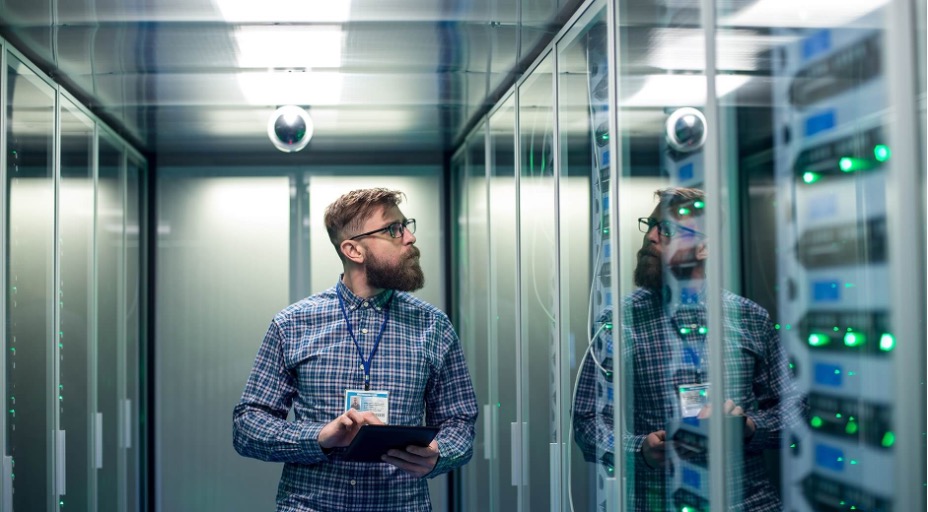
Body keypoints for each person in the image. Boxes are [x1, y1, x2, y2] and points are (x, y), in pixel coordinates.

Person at [233, 188, 478, 511]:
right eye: (393, 229)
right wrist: (320, 436)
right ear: (353, 250)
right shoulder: (292, 324)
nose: (409, 238)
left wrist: (439, 454)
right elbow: (247, 426)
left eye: (406, 225)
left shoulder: (433, 326)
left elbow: (460, 423)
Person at [573, 187, 803, 511]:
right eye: (650, 225)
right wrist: (639, 450)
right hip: (660, 501)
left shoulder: (749, 318)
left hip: (746, 501)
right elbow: (586, 421)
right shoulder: (618, 322)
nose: (651, 237)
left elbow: (797, 410)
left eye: (666, 230)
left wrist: (750, 428)